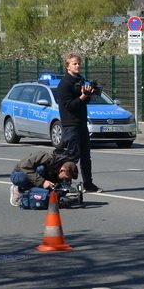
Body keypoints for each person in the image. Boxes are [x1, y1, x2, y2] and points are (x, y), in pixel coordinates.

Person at [56, 52, 101, 192]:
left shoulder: (80, 80)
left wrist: (90, 92)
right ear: (67, 66)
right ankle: (65, 183)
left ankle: (88, 183)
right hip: (70, 124)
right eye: (74, 64)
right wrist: (82, 96)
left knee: (86, 156)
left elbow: (84, 101)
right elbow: (69, 106)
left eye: (79, 63)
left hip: (82, 123)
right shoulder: (64, 83)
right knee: (72, 155)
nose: (77, 66)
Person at [9, 148, 78, 207]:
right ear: (62, 170)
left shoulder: (60, 168)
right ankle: (18, 189)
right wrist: (42, 182)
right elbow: (24, 166)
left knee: (49, 192)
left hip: (36, 178)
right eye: (65, 178)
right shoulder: (46, 156)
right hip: (19, 173)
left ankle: (29, 193)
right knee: (41, 169)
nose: (65, 180)